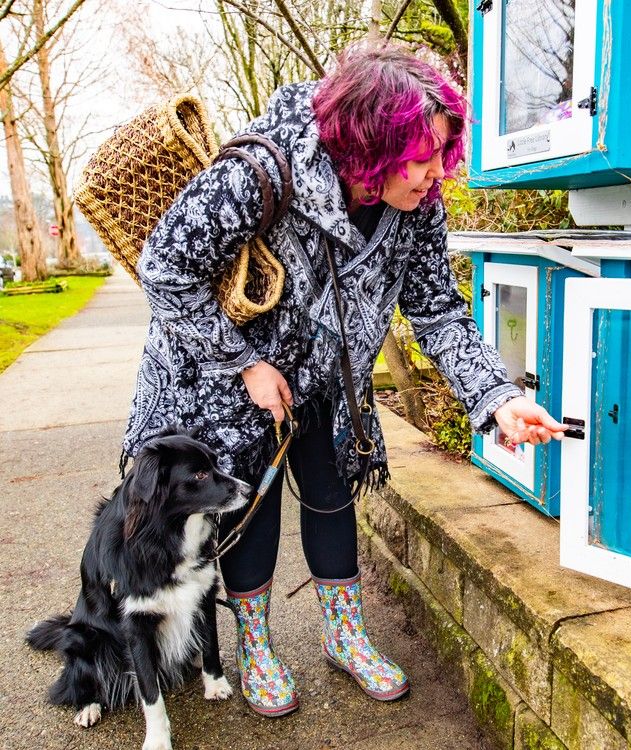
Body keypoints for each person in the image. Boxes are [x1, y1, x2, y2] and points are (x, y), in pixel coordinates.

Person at [122, 42, 565, 717]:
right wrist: (244, 364)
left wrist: (497, 398)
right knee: (253, 505)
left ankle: (345, 635)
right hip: (226, 377)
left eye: (440, 154)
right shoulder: (260, 171)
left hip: (330, 376)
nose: (432, 173)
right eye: (418, 158)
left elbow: (438, 310)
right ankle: (259, 647)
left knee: (332, 493)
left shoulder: (418, 203)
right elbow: (164, 270)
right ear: (369, 147)